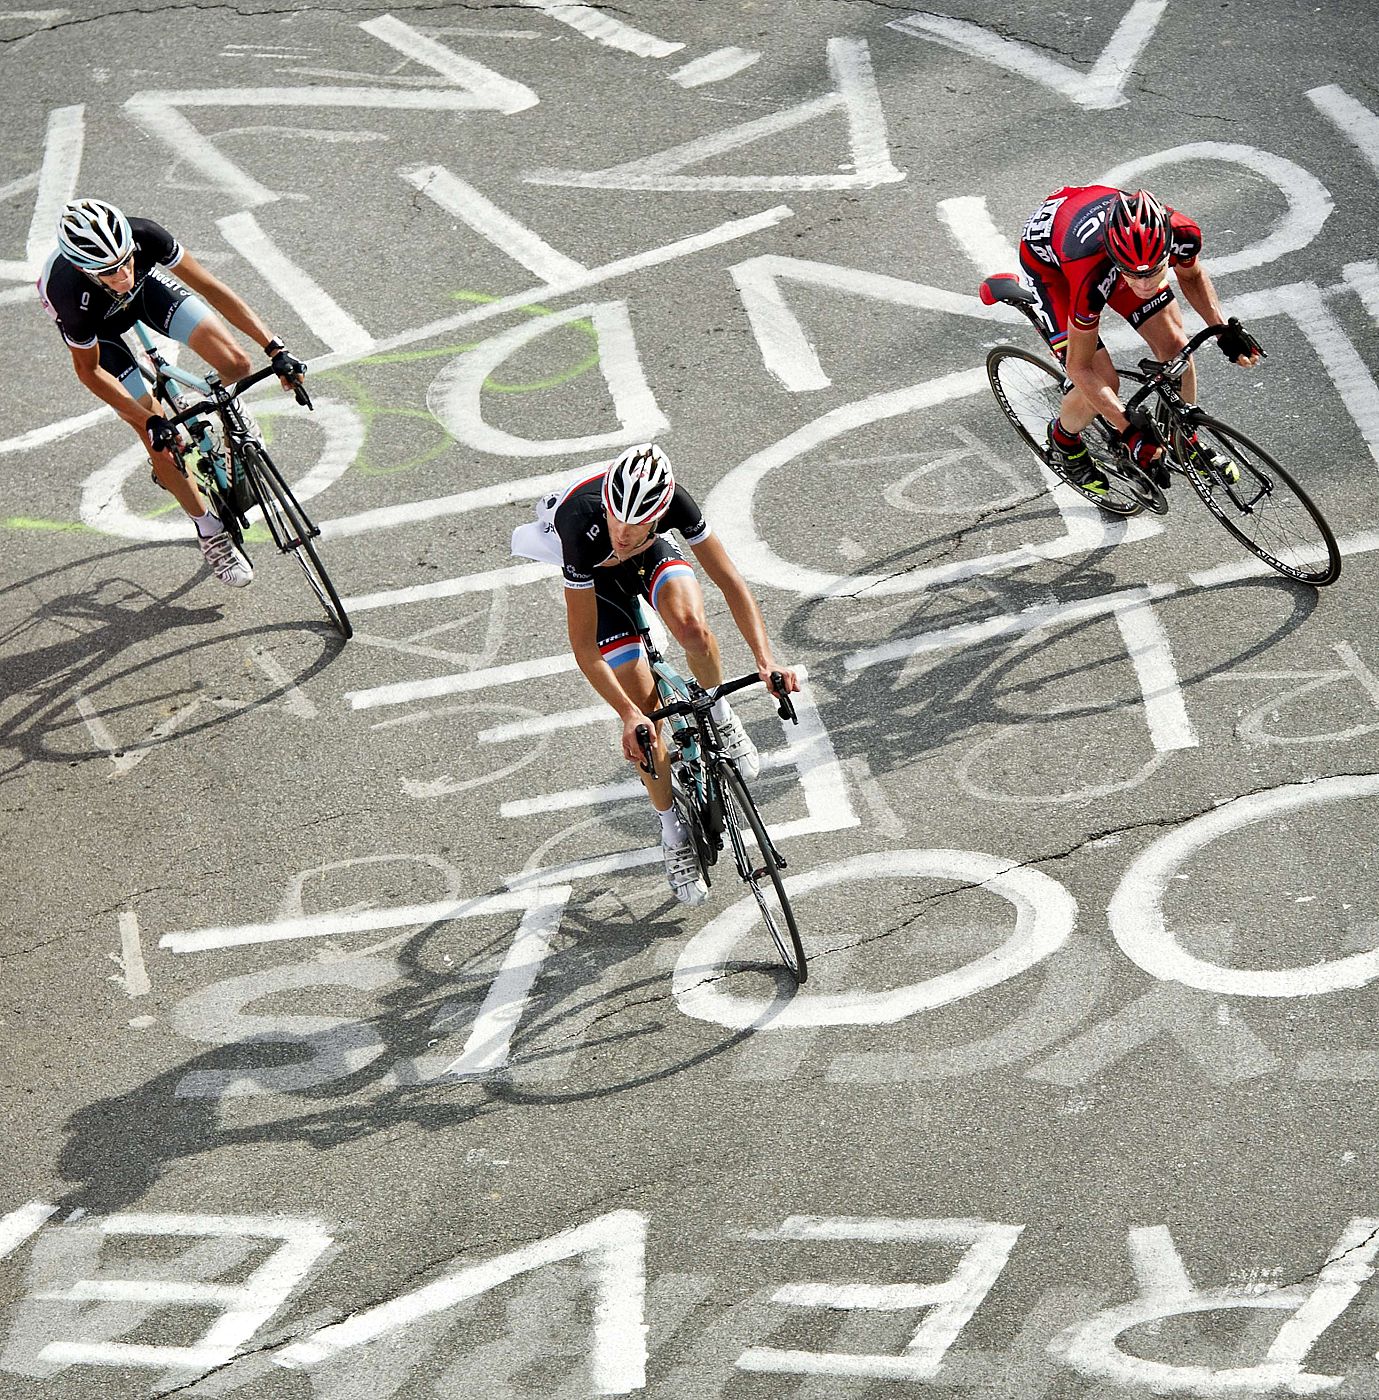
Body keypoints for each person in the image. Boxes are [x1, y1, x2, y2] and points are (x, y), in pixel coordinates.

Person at [536, 443, 799, 907]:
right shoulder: (580, 523)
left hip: (652, 558)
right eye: (616, 521)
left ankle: (718, 709)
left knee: (692, 629)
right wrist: (626, 714)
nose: (620, 534)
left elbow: (731, 583)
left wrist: (765, 660)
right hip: (598, 588)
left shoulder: (676, 502)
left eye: (634, 527)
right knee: (648, 723)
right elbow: (583, 646)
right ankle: (672, 830)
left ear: (658, 517)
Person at [37, 198, 307, 587]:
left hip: (149, 296)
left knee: (237, 364)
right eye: (110, 271)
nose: (124, 273)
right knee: (158, 438)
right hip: (101, 330)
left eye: (127, 259)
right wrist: (148, 421)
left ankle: (231, 420)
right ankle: (210, 530)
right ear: (85, 268)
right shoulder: (68, 293)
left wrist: (275, 347)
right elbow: (90, 372)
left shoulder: (145, 235)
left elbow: (211, 288)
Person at [1017, 185, 1261, 493]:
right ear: (1120, 265)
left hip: (1108, 246)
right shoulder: (1090, 273)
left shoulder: (1182, 232)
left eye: (1155, 271)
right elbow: (1081, 369)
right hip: (1054, 265)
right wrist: (1129, 431)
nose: (1145, 285)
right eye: (1134, 275)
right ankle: (1064, 443)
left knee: (1176, 348)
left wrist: (1222, 328)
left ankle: (1181, 439)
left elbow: (1192, 276)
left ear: (1166, 248)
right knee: (1102, 378)